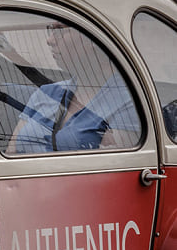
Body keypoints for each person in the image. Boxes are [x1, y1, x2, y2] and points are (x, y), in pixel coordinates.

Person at [8, 22, 142, 154]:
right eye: (51, 30)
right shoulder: (46, 93)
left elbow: (110, 167)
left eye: (60, 30)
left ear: (94, 36)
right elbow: (11, 152)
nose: (50, 40)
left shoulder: (130, 101)